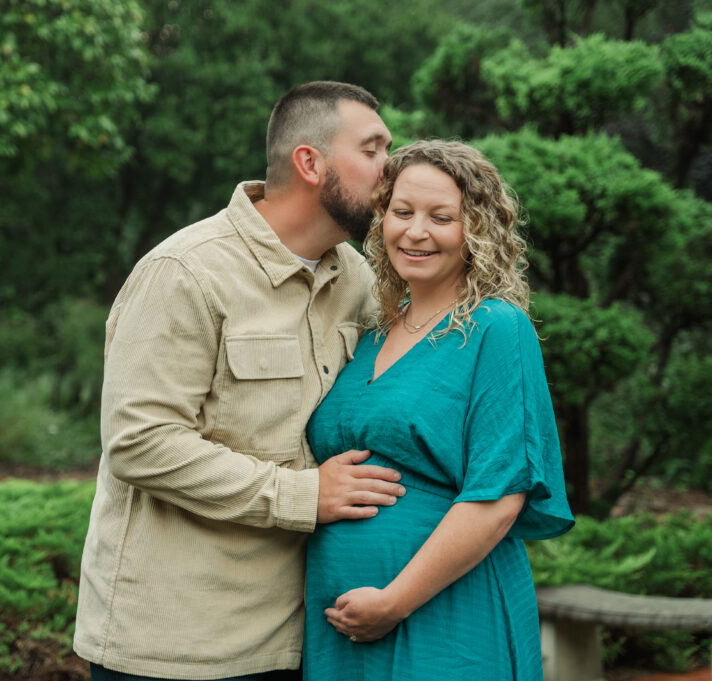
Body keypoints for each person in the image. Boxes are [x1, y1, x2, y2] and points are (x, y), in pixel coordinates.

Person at [74, 81, 407, 681]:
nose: (394, 167)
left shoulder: (356, 277)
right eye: (374, 149)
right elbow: (138, 442)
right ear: (311, 162)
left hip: (302, 638)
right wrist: (304, 495)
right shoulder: (185, 273)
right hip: (176, 647)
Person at [302, 140, 575, 680]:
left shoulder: (496, 328)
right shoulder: (372, 331)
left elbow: (498, 495)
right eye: (402, 213)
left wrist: (394, 601)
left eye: (441, 217)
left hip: (445, 614)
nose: (416, 231)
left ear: (476, 230)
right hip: (341, 627)